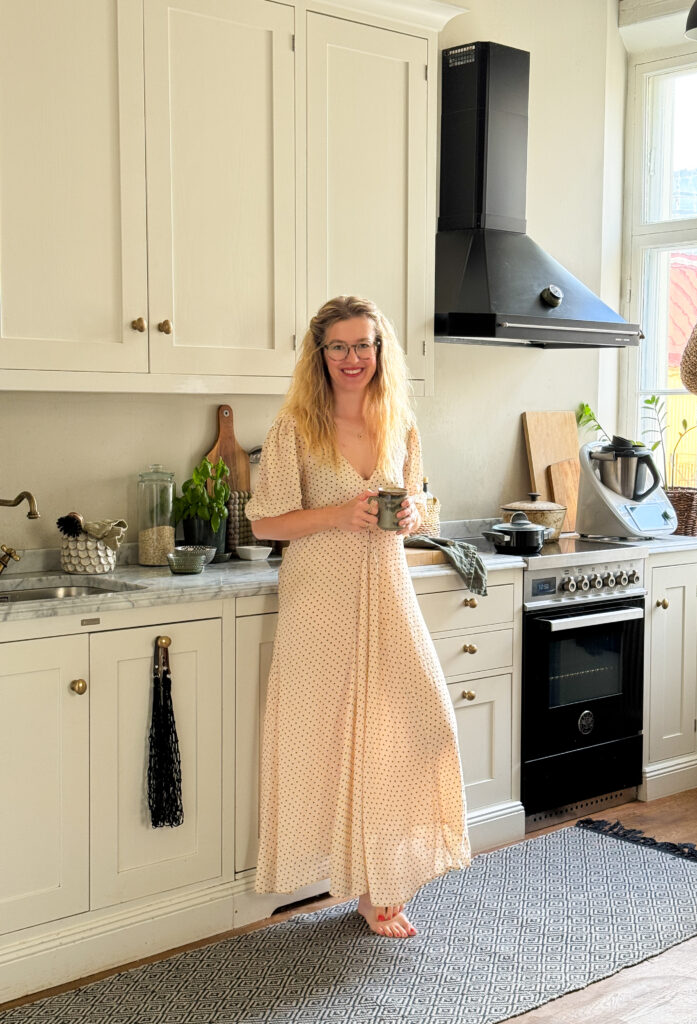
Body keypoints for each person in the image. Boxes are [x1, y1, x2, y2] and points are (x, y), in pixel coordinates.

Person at [245, 295, 471, 939]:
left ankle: (386, 878)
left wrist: (412, 517)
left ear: (381, 350)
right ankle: (371, 891)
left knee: (423, 725)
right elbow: (265, 522)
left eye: (364, 345)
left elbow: (423, 502)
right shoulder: (295, 428)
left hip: (388, 587)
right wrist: (340, 514)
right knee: (330, 740)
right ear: (319, 355)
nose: (353, 358)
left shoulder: (400, 422)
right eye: (339, 347)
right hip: (320, 597)